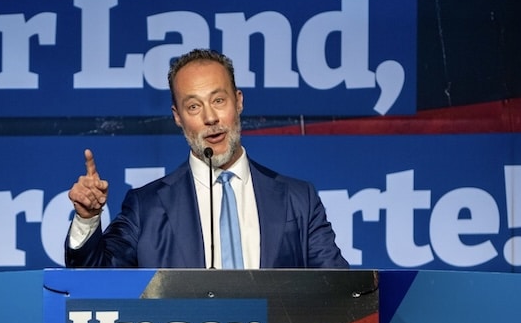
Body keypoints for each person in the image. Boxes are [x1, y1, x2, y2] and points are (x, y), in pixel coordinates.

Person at [65, 48, 348, 269]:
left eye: (218, 100)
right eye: (193, 106)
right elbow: (95, 283)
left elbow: (339, 293)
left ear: (238, 101)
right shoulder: (146, 207)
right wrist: (87, 219)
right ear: (178, 117)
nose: (210, 117)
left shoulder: (298, 199)